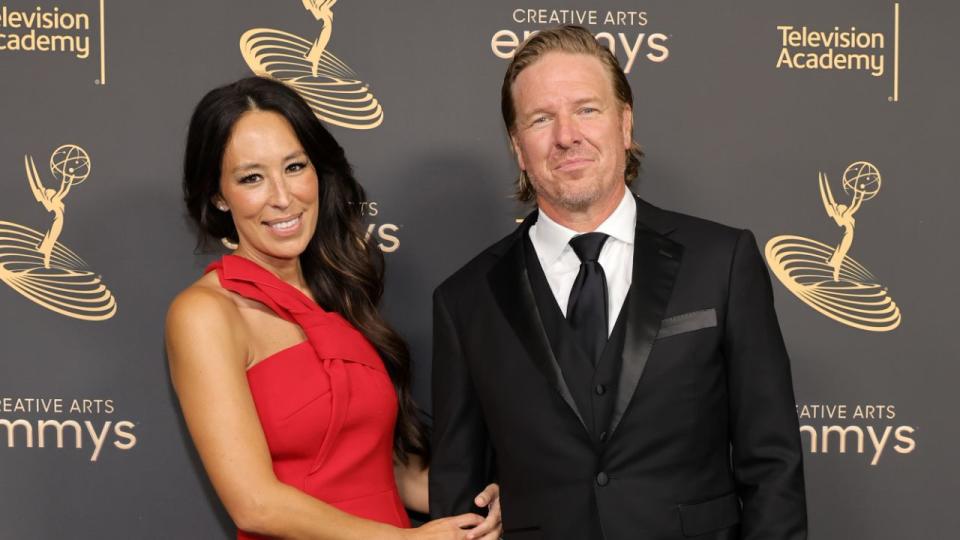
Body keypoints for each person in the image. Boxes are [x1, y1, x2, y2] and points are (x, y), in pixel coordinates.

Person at [429, 26, 807, 539]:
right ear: (518, 147)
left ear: (624, 124)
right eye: (542, 119)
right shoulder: (464, 301)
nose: (567, 136)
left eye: (587, 109)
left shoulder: (723, 260)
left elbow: (773, 465)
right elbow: (460, 505)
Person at [167, 76, 501, 540]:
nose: (283, 197)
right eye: (251, 178)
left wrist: (486, 501)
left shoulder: (340, 299)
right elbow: (254, 505)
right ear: (218, 194)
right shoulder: (205, 314)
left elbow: (389, 474)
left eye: (294, 167)